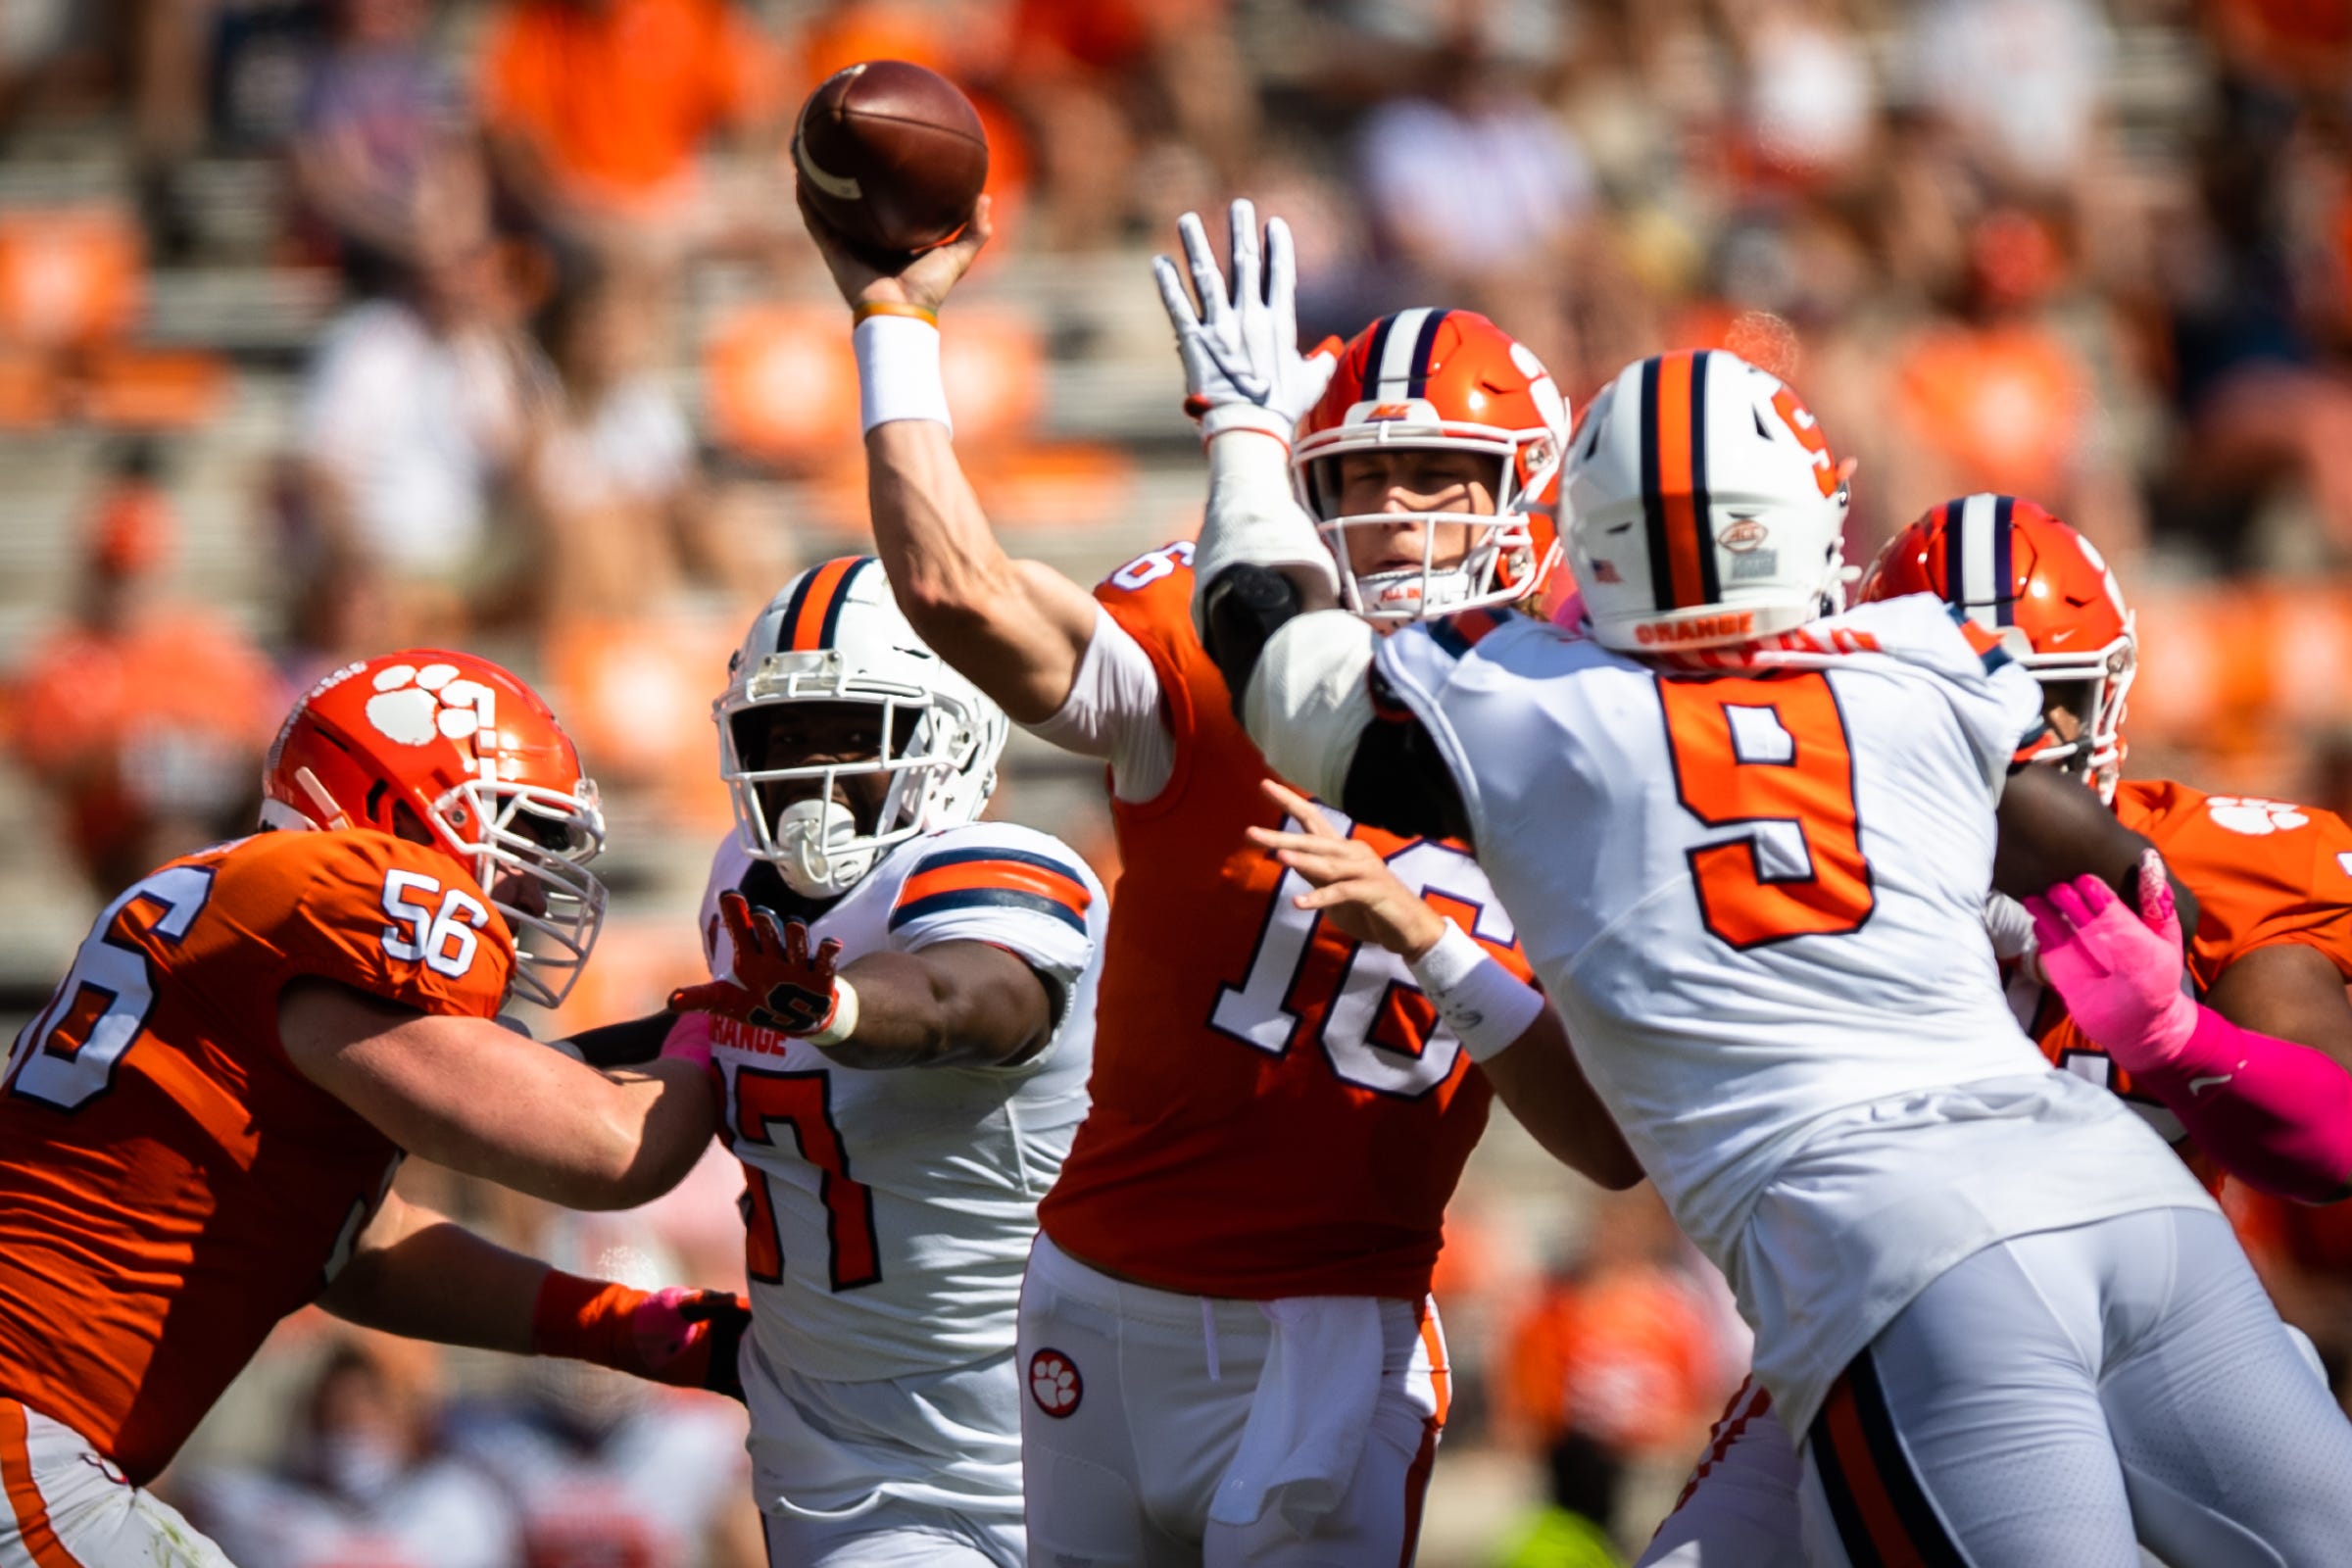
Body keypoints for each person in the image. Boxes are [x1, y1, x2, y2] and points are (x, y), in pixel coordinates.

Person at [1195, 317, 2352, 1563]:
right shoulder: (1914, 659)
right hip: (2126, 1200)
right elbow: (2109, 853)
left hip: (1896, 1254)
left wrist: (1249, 439)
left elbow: (1273, 653)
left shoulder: (1518, 703)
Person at [794, 186, 1638, 1565]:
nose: (1402, 518)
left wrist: (1437, 949)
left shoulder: (1583, 731)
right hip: (1091, 1292)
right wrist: (894, 322)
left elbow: (1606, 1147)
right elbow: (958, 595)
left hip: (1328, 1331)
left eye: (1442, 476)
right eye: (1364, 477)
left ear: (1528, 500)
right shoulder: (1206, 647)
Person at [1638, 494, 2352, 1567]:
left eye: (2043, 706)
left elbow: (2333, 1140)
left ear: (2105, 701)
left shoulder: (2208, 861)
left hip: (2163, 1339)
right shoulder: (1801, 874)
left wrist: (2176, 1037)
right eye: (1956, 705)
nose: (2005, 749)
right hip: (1877, 1336)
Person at [0, 649, 746, 1567]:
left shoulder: (245, 927)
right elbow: (618, 1148)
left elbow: (356, 1250)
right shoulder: (328, 899)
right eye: (516, 838)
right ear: (395, 810)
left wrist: (630, 1327)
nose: (530, 885)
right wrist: (738, 1027)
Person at [649, 559, 1104, 1567]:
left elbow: (967, 999)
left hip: (1052, 1426)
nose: (809, 769)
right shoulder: (739, 879)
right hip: (838, 1451)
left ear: (949, 734)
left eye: (853, 732)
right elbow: (713, 1027)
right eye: (785, 736)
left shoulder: (1001, 865)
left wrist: (837, 1005)